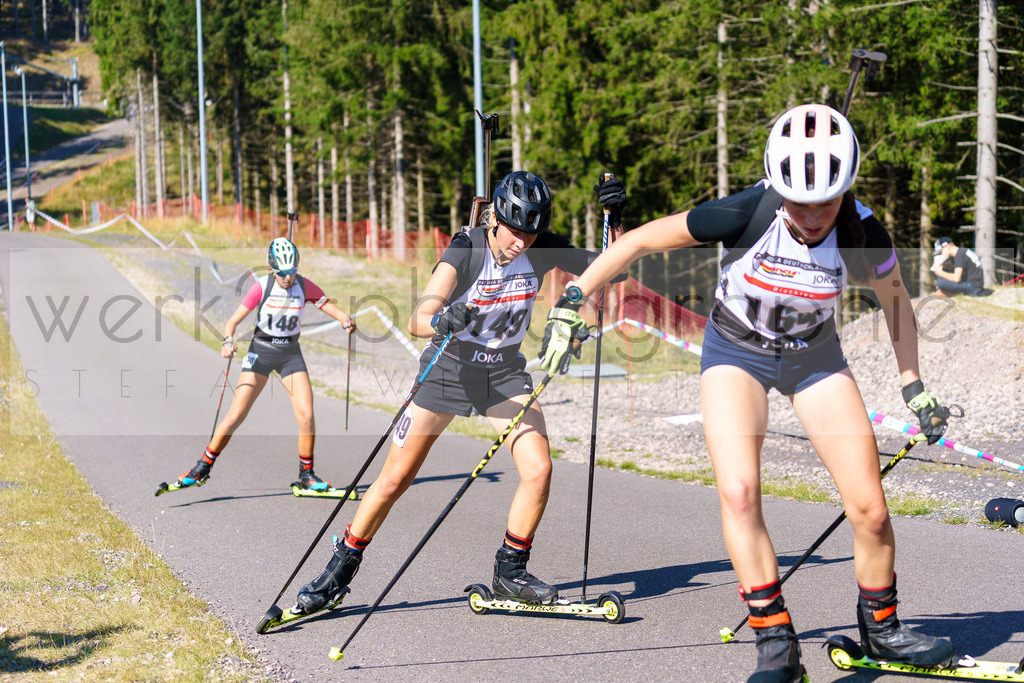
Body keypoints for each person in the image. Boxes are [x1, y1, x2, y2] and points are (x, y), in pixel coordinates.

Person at [540, 105, 956, 682]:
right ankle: (776, 644)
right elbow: (635, 242)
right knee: (738, 493)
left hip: (813, 358)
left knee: (871, 509)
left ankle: (883, 631)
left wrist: (914, 386)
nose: (814, 216)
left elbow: (896, 302)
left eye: (827, 201)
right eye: (800, 202)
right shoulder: (746, 211)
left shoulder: (864, 232)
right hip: (737, 352)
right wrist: (574, 300)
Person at [293, 171, 625, 615]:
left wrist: (614, 219)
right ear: (495, 220)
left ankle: (510, 573)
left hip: (501, 374)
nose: (521, 242)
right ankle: (339, 570)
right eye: (513, 231)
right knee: (394, 479)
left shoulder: (539, 247)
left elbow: (616, 268)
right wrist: (440, 319)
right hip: (448, 368)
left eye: (530, 234)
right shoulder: (467, 248)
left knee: (539, 468)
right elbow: (418, 317)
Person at [175, 237, 357, 492]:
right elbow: (232, 322)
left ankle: (306, 475)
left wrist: (345, 319)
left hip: (290, 354)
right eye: (282, 272)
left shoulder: (303, 285)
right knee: (236, 414)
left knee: (306, 415)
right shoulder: (261, 286)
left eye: (292, 271)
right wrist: (227, 341)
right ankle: (202, 467)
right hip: (261, 352)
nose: (288, 277)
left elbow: (326, 304)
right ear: (272, 269)